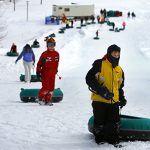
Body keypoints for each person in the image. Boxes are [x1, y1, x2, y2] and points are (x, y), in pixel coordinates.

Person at [85, 44, 127, 146]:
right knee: (99, 122)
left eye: (118, 54)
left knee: (114, 122)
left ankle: (113, 141)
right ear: (109, 53)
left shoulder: (119, 70)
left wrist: (122, 98)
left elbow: (119, 87)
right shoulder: (100, 64)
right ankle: (100, 140)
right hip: (99, 100)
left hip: (113, 101)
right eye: (114, 53)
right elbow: (89, 79)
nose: (116, 55)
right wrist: (102, 91)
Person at [36, 37, 59, 106]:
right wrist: (38, 72)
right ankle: (40, 98)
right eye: (49, 45)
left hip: (53, 74)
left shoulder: (56, 54)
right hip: (45, 74)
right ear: (47, 45)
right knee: (46, 88)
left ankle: (47, 100)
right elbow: (39, 64)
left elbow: (56, 63)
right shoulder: (44, 54)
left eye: (52, 44)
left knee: (51, 88)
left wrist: (56, 70)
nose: (51, 46)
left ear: (54, 45)